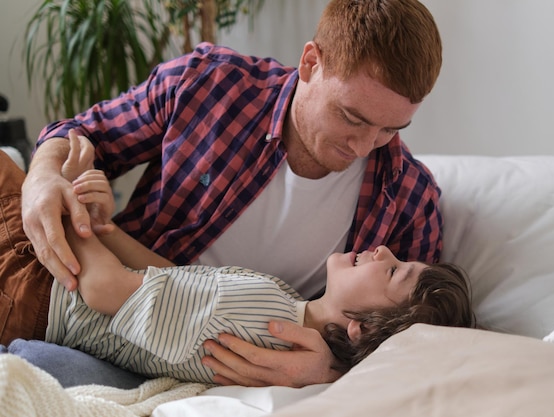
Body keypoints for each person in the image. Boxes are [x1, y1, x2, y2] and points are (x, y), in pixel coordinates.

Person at [2, 0, 444, 387]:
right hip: (84, 281)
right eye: (352, 117)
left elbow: (411, 344)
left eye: (391, 129)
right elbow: (84, 132)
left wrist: (331, 369)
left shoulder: (409, 200)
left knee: (34, 367)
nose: (365, 146)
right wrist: (42, 174)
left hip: (124, 347)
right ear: (311, 63)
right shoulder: (210, 83)